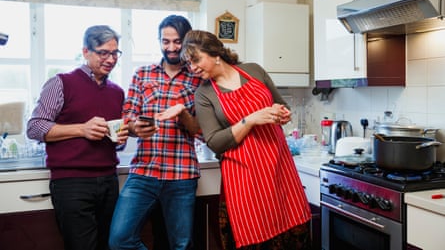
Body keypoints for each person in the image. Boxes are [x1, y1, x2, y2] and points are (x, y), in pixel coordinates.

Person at [181, 30, 312, 250]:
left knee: (293, 233)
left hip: (280, 167)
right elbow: (214, 141)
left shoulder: (254, 70)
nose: (192, 67)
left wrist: (283, 114)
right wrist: (249, 120)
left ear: (214, 54)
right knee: (254, 237)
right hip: (244, 176)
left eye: (196, 60)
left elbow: (281, 105)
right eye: (188, 63)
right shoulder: (203, 94)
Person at [27, 25, 130, 250]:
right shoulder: (61, 82)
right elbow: (35, 127)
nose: (111, 59)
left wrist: (120, 139)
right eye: (103, 52)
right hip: (72, 183)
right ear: (86, 52)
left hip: (109, 181)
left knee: (109, 245)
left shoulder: (117, 92)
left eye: (115, 53)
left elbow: (113, 143)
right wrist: (81, 129)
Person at [109, 15, 202, 250]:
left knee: (182, 245)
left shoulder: (199, 78)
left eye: (177, 41)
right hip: (143, 171)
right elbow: (126, 118)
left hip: (182, 174)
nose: (171, 47)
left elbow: (202, 131)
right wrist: (132, 128)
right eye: (165, 41)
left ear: (188, 42)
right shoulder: (142, 74)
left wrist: (183, 115)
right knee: (119, 240)